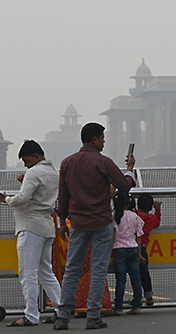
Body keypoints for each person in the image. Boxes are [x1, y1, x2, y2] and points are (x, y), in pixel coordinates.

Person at [55, 122, 136, 330]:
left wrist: (62, 222)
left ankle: (63, 316)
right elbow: (125, 186)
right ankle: (93, 316)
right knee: (98, 270)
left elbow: (62, 198)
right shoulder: (104, 162)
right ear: (94, 139)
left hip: (78, 223)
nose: (104, 141)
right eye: (102, 137)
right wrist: (129, 170)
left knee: (72, 269)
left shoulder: (67, 163)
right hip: (101, 222)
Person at [1, 140, 62, 326]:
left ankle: (31, 315)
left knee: (27, 273)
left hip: (29, 226)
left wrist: (6, 199)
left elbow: (23, 198)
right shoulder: (54, 172)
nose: (26, 165)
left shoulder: (33, 172)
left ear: (36, 156)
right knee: (45, 272)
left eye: (27, 161)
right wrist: (26, 180)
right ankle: (62, 309)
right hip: (46, 226)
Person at [111, 191, 143, 315]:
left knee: (120, 280)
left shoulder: (115, 218)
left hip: (119, 250)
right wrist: (139, 254)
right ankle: (136, 306)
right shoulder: (135, 216)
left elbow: (113, 238)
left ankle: (118, 307)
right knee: (136, 279)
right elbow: (138, 236)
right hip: (133, 248)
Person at [134, 193, 161, 306]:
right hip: (143, 248)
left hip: (131, 246)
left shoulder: (134, 215)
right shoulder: (152, 219)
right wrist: (157, 209)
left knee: (133, 274)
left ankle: (137, 298)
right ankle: (149, 297)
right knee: (144, 273)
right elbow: (157, 222)